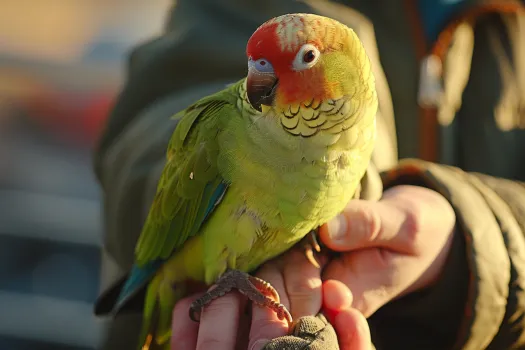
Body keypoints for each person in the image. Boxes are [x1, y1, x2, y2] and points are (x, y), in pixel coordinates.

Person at [93, 0, 525, 349]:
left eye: (305, 59)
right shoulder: (226, 133)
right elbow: (168, 98)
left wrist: (462, 243)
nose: (259, 80)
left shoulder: (358, 132)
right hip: (185, 280)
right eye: (257, 65)